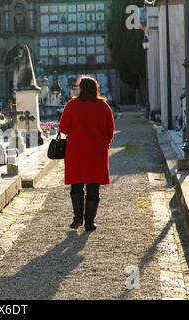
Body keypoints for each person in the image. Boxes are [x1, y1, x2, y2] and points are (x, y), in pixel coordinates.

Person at [58, 75, 115, 231]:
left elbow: (63, 128)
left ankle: (77, 218)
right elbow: (110, 131)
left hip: (75, 152)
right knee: (93, 187)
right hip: (97, 152)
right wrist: (105, 146)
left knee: (76, 186)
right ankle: (89, 222)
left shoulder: (71, 105)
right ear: (95, 88)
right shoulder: (104, 107)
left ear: (80, 89)